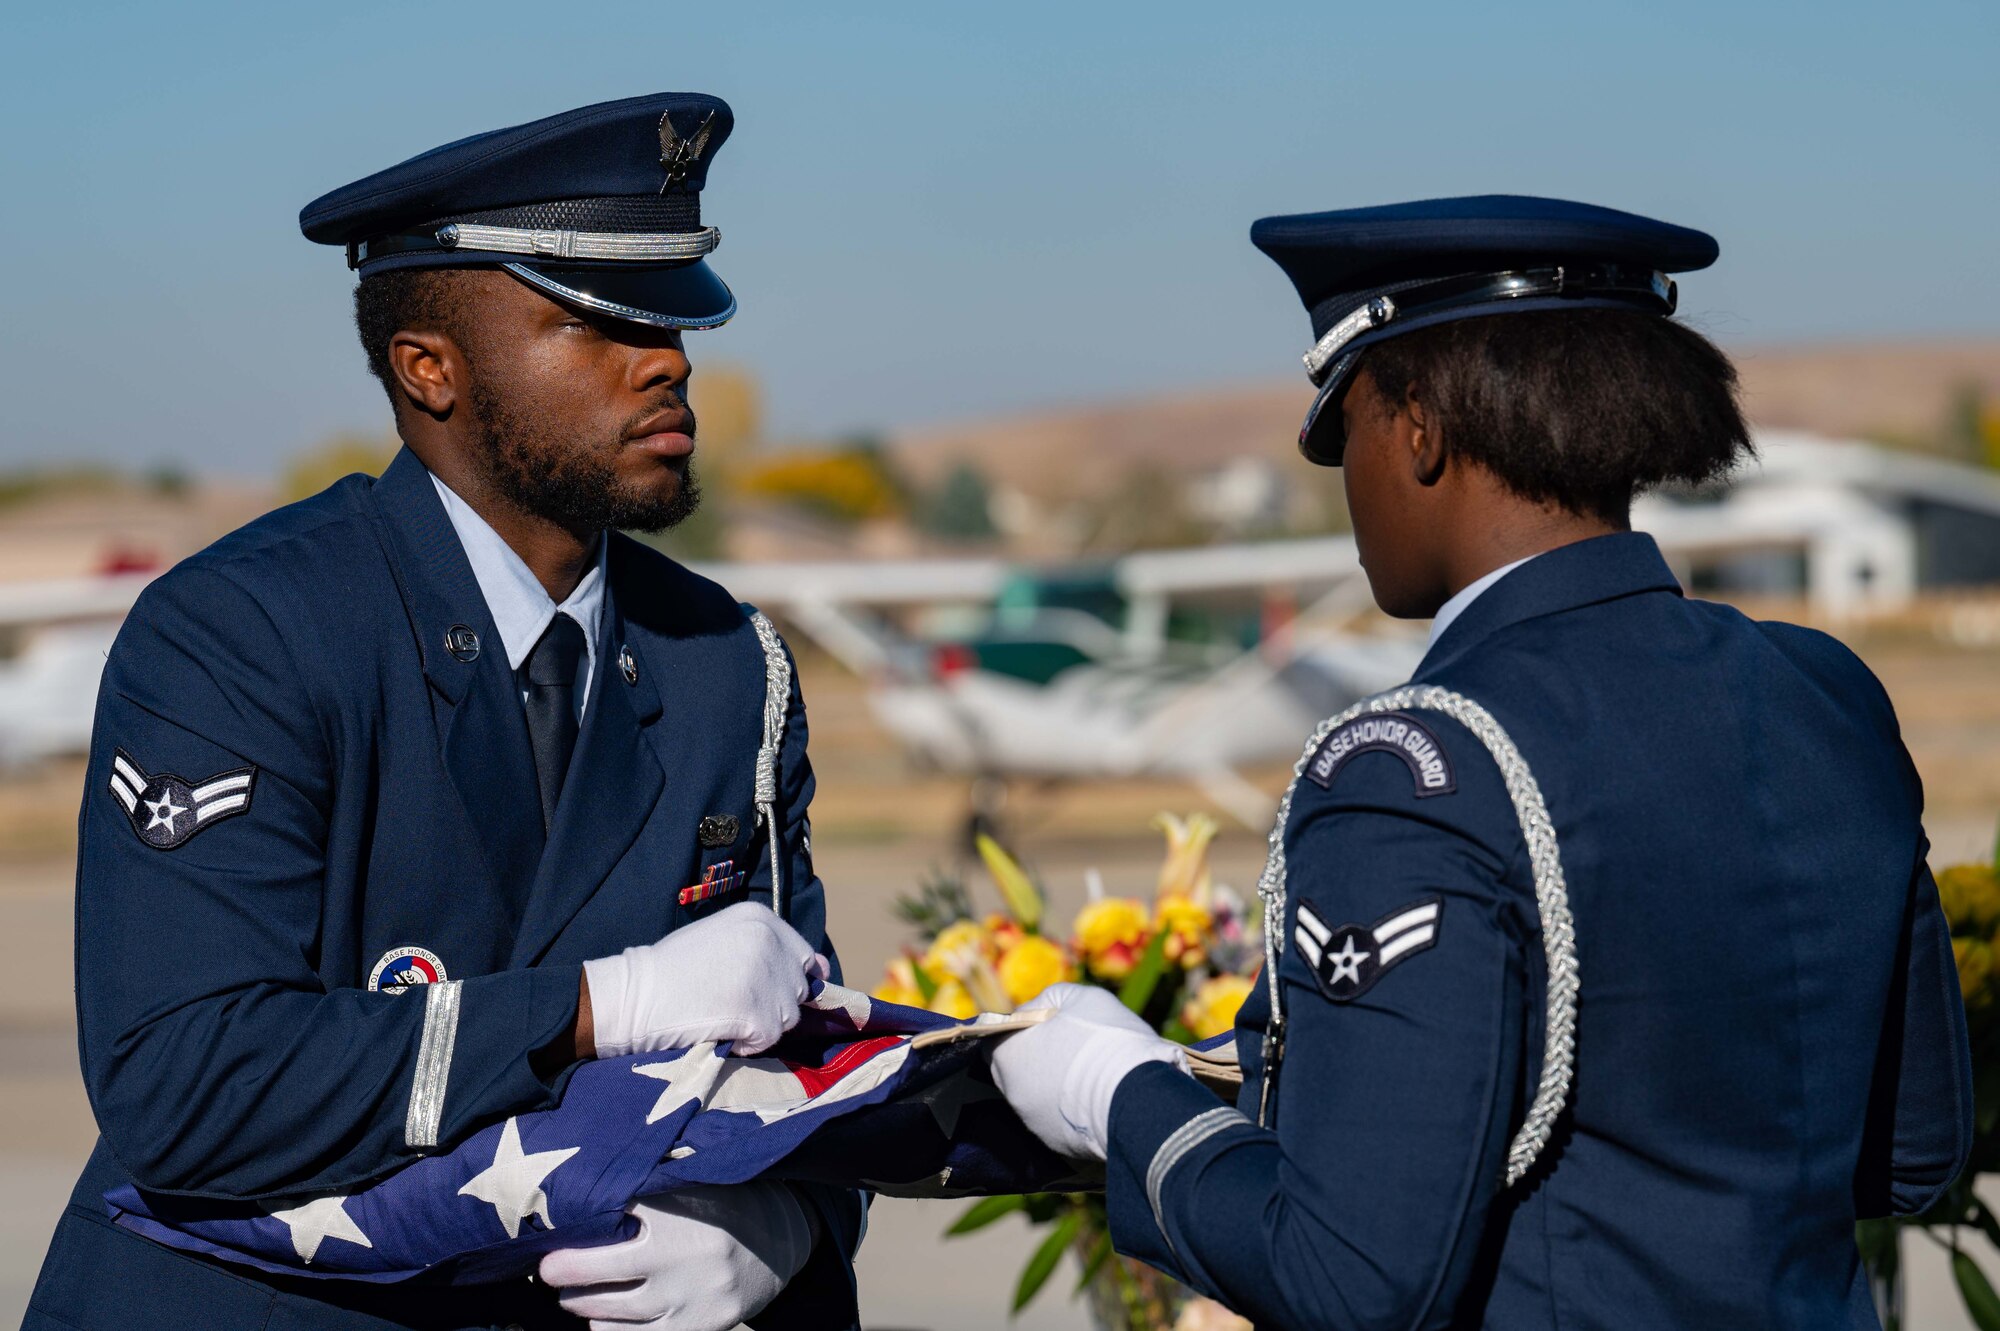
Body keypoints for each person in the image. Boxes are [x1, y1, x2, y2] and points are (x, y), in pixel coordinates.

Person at [990, 195, 1973, 1328]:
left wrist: (1114, 1093)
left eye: (1342, 425)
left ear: (1418, 429)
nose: (1341, 472)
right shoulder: (1823, 690)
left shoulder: (1415, 768)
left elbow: (1346, 1277)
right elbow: (1908, 1154)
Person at [26, 93, 864, 1331]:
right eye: (596, 319)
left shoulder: (722, 662)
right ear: (431, 370)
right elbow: (188, 1081)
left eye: (674, 315)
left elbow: (810, 1056)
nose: (668, 356)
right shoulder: (246, 633)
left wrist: (789, 1223)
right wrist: (599, 1005)